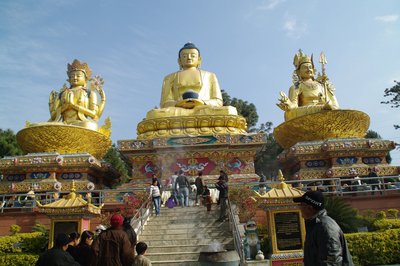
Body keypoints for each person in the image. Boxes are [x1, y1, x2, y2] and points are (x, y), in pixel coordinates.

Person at [146, 43, 237, 119]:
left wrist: (202, 102)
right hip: (178, 111)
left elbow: (218, 101)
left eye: (193, 56)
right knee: (154, 114)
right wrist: (179, 103)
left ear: (199, 60)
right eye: (185, 56)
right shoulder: (169, 77)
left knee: (230, 111)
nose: (189, 58)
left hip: (203, 109)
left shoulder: (210, 75)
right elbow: (165, 103)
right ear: (179, 61)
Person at [293, 191, 354, 266]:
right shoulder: (315, 225)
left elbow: (332, 262)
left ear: (310, 208)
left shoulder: (325, 228)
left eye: (301, 205)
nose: (299, 208)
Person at [277, 50, 339, 121]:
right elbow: (294, 107)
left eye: (310, 67)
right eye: (305, 67)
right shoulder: (296, 87)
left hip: (325, 112)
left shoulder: (322, 85)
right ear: (298, 72)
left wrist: (328, 104)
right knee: (289, 113)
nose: (308, 69)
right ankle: (321, 109)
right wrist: (289, 104)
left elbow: (335, 105)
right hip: (306, 113)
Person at [48, 59, 106, 131]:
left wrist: (73, 106)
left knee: (91, 126)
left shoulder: (90, 93)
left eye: (78, 76)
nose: (75, 78)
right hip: (63, 123)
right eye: (72, 76)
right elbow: (53, 116)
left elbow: (94, 114)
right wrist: (65, 106)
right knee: (43, 126)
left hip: (80, 123)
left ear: (85, 79)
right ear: (69, 79)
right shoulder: (62, 94)